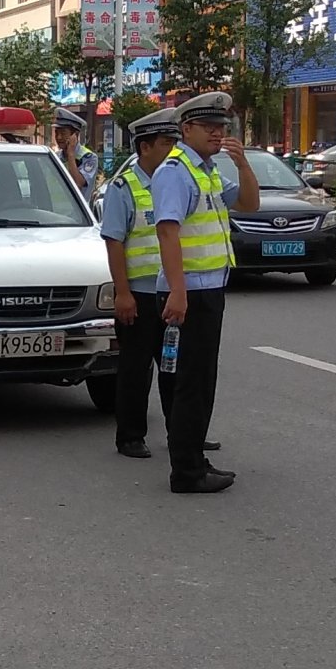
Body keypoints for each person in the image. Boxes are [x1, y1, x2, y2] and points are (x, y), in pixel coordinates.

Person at [147, 92, 259, 494]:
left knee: (200, 381)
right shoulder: (175, 172)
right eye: (209, 127)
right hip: (189, 293)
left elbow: (248, 203)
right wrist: (178, 292)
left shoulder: (207, 171)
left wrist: (243, 164)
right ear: (186, 129)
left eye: (221, 127)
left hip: (209, 290)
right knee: (191, 384)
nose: (217, 133)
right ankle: (187, 471)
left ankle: (193, 459)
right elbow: (167, 233)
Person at [97, 108, 185, 461]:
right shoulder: (124, 188)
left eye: (175, 143)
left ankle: (183, 432)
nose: (173, 150)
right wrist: (123, 293)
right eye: (166, 143)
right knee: (136, 369)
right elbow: (114, 242)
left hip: (173, 293)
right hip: (141, 294)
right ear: (144, 147)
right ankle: (131, 436)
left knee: (177, 368)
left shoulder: (177, 182)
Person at [54, 107, 98, 194]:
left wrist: (71, 154)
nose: (58, 137)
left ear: (75, 135)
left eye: (63, 133)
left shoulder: (89, 157)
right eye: (56, 133)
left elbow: (78, 184)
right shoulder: (56, 156)